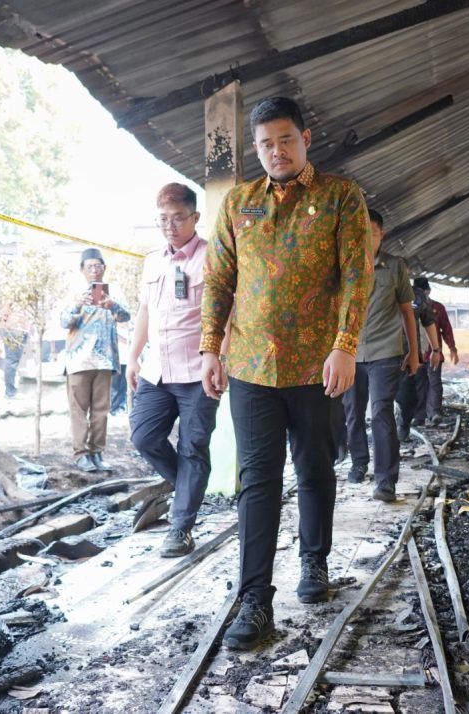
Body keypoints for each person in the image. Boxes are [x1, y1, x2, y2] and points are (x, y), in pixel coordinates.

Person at [200, 96, 372, 650]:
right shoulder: (238, 203)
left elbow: (355, 278)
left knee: (315, 465)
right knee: (258, 480)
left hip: (317, 363)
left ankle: (314, 561)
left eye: (286, 140)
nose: (276, 151)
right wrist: (209, 349)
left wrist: (345, 346)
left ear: (306, 138)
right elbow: (219, 281)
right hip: (251, 364)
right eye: (266, 143)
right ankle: (254, 599)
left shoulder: (341, 196)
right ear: (256, 148)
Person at [128, 182, 220, 558]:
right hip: (157, 371)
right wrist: (133, 357)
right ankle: (187, 490)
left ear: (195, 218)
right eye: (163, 219)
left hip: (198, 371)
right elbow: (145, 312)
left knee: (193, 447)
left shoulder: (212, 258)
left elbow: (225, 316)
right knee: (143, 438)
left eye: (178, 218)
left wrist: (220, 359)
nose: (170, 225)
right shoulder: (153, 260)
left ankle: (181, 528)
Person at [343, 209, 422, 501]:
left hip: (386, 351)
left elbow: (406, 311)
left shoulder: (395, 267)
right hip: (349, 353)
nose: (367, 238)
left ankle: (386, 480)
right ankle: (359, 461)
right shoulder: (346, 265)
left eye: (372, 233)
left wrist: (415, 353)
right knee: (352, 413)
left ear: (381, 234)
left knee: (380, 411)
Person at [60, 248, 131, 473]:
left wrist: (113, 305)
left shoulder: (114, 292)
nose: (94, 270)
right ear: (82, 270)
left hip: (105, 359)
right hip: (79, 360)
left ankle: (97, 452)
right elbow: (63, 322)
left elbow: (126, 316)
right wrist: (77, 305)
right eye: (89, 266)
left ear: (104, 268)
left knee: (101, 409)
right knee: (79, 409)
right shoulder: (72, 293)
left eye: (98, 266)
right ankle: (81, 454)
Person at [395, 278, 441, 442]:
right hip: (381, 355)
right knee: (381, 401)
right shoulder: (376, 288)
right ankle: (384, 445)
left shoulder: (417, 295)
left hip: (409, 356)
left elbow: (429, 321)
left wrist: (435, 350)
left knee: (407, 397)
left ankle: (404, 424)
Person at [412, 277, 459, 426]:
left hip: (433, 354)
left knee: (434, 384)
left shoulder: (437, 308)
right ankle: (419, 416)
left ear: (428, 291)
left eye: (422, 292)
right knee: (418, 385)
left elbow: (446, 329)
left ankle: (434, 414)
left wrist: (452, 348)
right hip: (415, 355)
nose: (420, 296)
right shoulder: (409, 308)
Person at [0, 298, 30, 399]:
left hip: (17, 329)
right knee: (11, 361)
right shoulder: (14, 293)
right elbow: (4, 312)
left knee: (12, 361)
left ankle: (11, 391)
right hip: (14, 329)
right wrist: (7, 326)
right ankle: (10, 392)